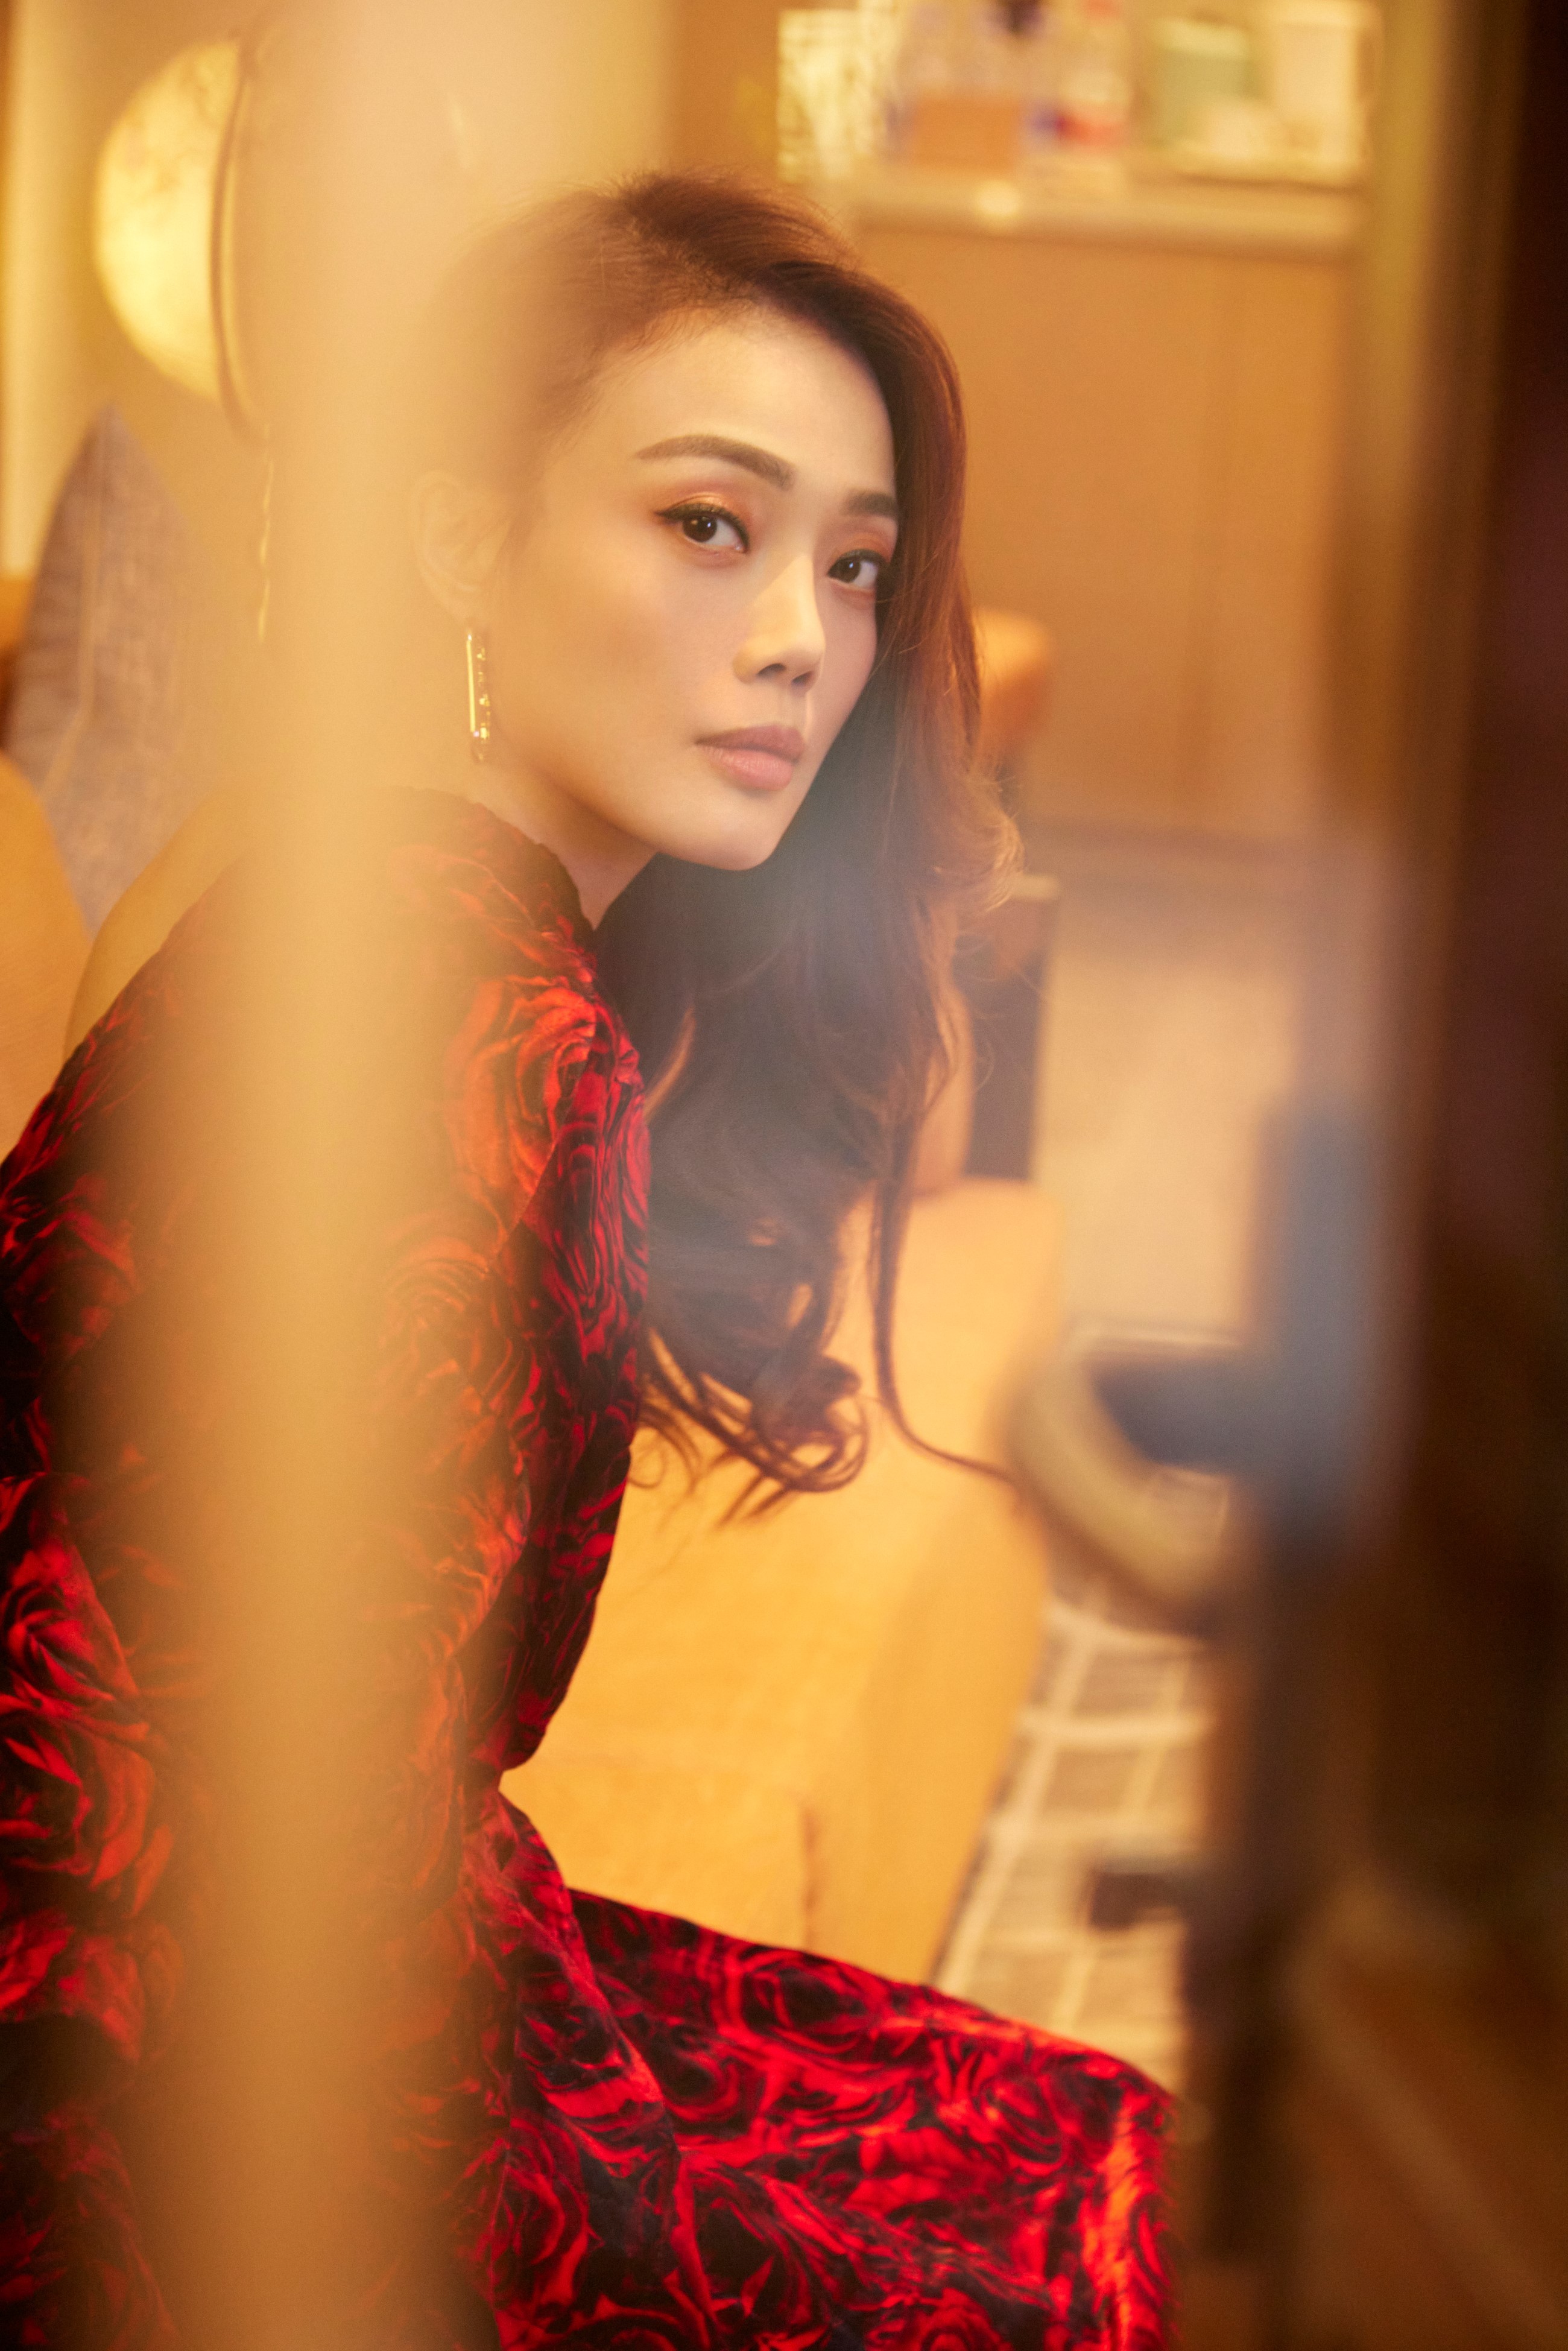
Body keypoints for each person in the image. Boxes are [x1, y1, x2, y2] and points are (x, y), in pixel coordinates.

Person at [0, 174, 1168, 2346]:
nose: (801, 635)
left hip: (322, 1974)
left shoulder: (392, 903)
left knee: (1099, 2151)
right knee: (1114, 2224)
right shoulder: (472, 1025)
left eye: (855, 564)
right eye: (707, 524)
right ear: (463, 540)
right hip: (195, 2106)